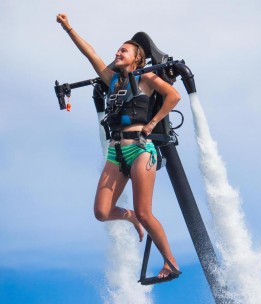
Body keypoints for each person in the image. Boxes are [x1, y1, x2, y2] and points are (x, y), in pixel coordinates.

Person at [56, 13, 181, 279]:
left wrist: (153, 123)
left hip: (140, 149)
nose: (118, 52)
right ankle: (131, 216)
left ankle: (170, 263)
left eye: (124, 49)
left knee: (147, 213)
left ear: (137, 57)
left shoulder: (146, 78)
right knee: (102, 212)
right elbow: (90, 54)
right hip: (116, 152)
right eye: (118, 49)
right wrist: (69, 28)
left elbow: (174, 96)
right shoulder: (112, 80)